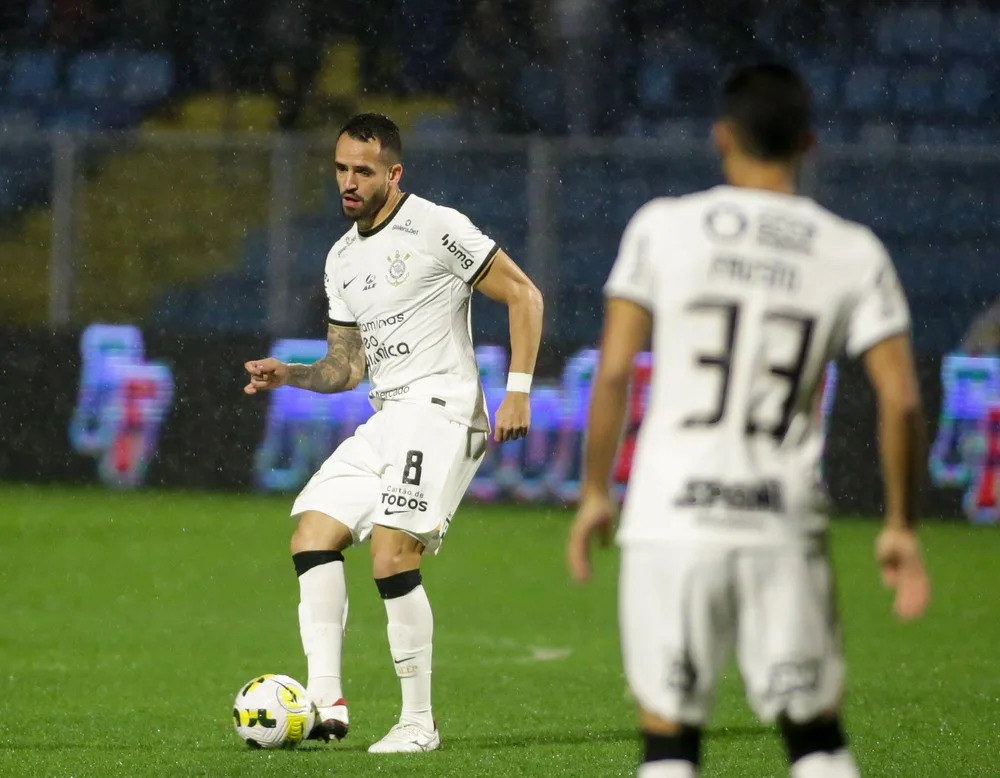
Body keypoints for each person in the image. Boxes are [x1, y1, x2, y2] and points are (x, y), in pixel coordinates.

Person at [566, 63, 931, 778]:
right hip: (781, 518)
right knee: (815, 741)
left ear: (721, 137)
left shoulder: (663, 227)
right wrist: (902, 526)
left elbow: (612, 371)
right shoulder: (851, 251)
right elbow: (903, 400)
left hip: (671, 516)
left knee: (669, 743)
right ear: (810, 143)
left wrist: (593, 494)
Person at [244, 113, 544, 754]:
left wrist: (518, 390)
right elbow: (346, 368)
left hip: (443, 409)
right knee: (312, 533)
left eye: (363, 171)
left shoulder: (436, 226)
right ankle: (325, 700)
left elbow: (524, 294)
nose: (349, 182)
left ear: (394, 173)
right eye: (341, 169)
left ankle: (418, 723)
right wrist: (289, 375)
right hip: (389, 415)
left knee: (390, 553)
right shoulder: (342, 257)